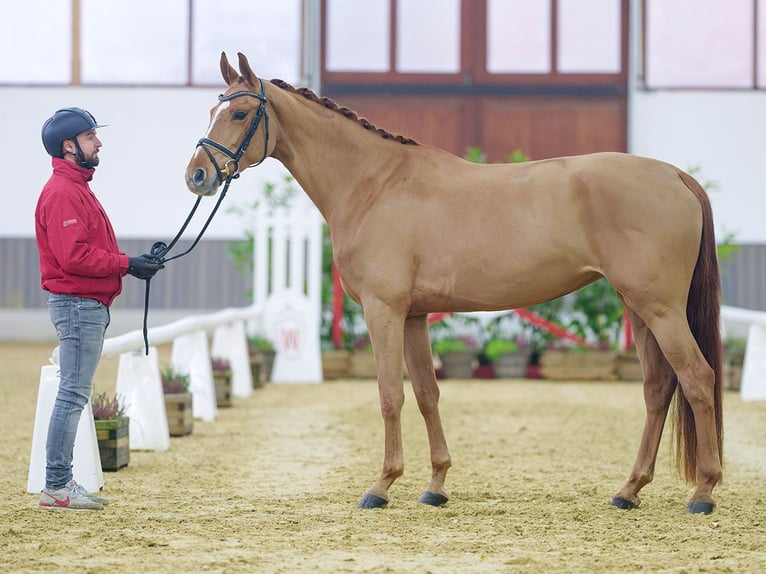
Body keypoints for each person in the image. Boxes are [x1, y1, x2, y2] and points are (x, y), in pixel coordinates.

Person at [35, 107, 164, 510]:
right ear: (69, 146)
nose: (99, 143)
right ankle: (56, 485)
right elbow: (73, 257)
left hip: (85, 304)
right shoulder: (62, 193)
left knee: (75, 392)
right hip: (77, 305)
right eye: (91, 137)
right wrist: (127, 264)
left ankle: (60, 483)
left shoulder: (76, 188)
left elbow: (90, 250)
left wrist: (130, 263)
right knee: (72, 393)